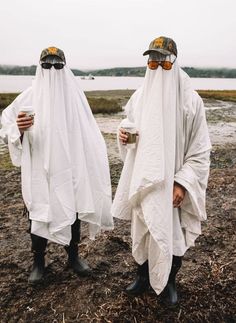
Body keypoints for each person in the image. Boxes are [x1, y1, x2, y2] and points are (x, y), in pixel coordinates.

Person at [111, 36, 211, 305]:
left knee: (171, 231)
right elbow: (130, 129)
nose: (156, 66)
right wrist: (122, 135)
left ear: (175, 63)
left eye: (163, 62)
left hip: (172, 185)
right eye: (152, 61)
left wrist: (182, 183)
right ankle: (142, 276)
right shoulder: (138, 97)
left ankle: (169, 282)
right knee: (143, 227)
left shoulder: (191, 102)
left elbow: (200, 151)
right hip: (144, 178)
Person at [0, 47, 113, 284]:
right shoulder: (28, 97)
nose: (52, 69)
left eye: (57, 65)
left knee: (72, 209)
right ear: (40, 67)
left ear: (65, 67)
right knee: (39, 212)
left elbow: (90, 131)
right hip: (40, 168)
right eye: (47, 65)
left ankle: (73, 257)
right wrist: (17, 130)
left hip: (71, 166)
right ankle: (38, 262)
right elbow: (6, 124)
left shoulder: (75, 97)